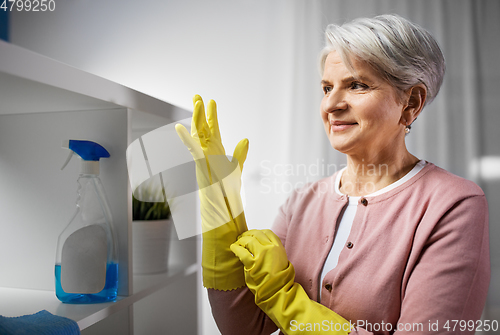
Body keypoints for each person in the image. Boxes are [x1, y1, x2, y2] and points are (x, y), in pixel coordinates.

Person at [176, 14, 490, 335]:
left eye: (356, 85)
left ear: (411, 102)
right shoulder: (302, 201)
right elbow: (243, 326)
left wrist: (285, 300)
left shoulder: (454, 205)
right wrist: (221, 208)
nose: (331, 104)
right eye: (327, 87)